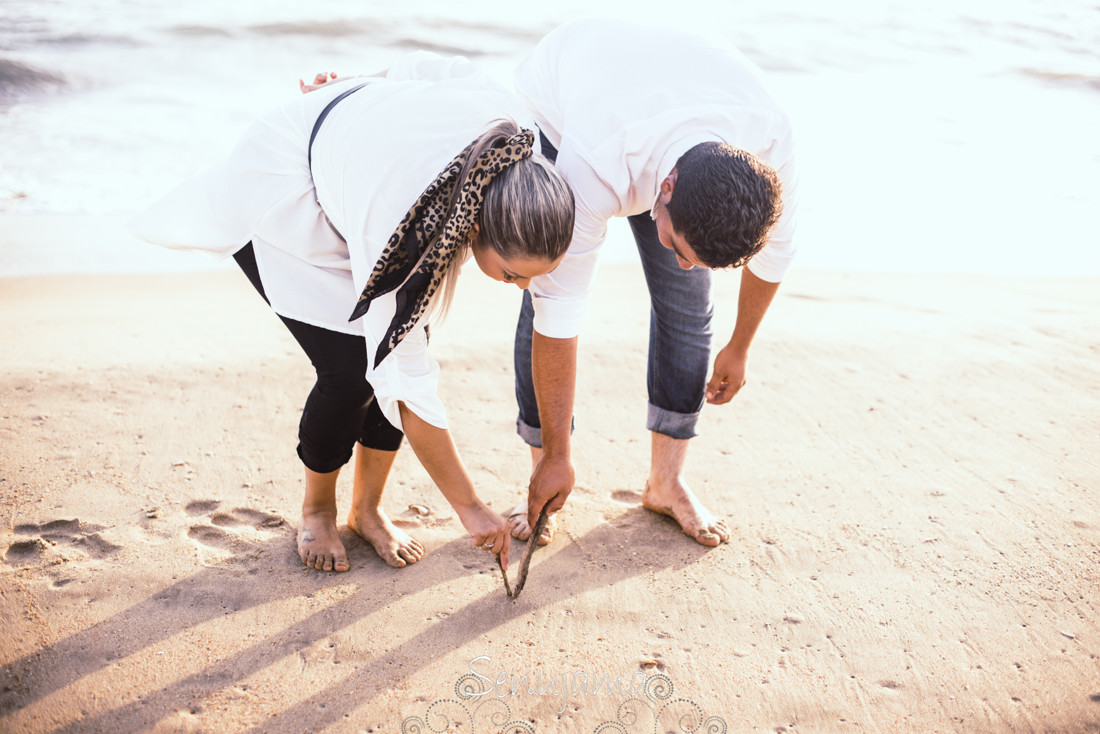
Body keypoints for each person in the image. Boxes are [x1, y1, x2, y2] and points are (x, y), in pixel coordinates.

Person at [130, 64, 575, 573]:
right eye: (513, 274)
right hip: (290, 183)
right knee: (350, 370)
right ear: (475, 226)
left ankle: (367, 510)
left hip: (363, 174)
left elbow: (438, 66)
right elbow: (404, 380)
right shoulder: (396, 212)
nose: (522, 288)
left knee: (401, 342)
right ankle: (318, 509)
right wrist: (470, 508)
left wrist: (363, 81)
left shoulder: (523, 150)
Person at [507, 19, 800, 548]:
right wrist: (557, 456)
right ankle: (542, 470)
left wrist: (739, 347)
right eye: (682, 250)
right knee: (544, 285)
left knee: (687, 302)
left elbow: (776, 255)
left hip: (675, 90)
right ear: (665, 190)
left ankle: (665, 483)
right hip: (562, 109)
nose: (686, 265)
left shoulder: (770, 142)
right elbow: (558, 310)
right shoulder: (594, 164)